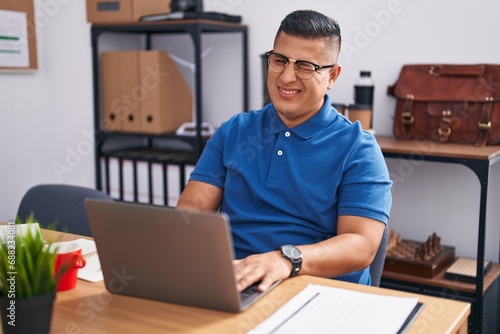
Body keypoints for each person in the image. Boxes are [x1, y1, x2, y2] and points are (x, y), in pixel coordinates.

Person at [176, 9, 392, 292]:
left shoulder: (358, 148)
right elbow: (192, 209)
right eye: (279, 61)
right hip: (236, 282)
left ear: (332, 76)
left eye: (305, 66)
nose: (287, 77)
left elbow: (361, 246)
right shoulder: (234, 130)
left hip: (318, 293)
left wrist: (286, 259)